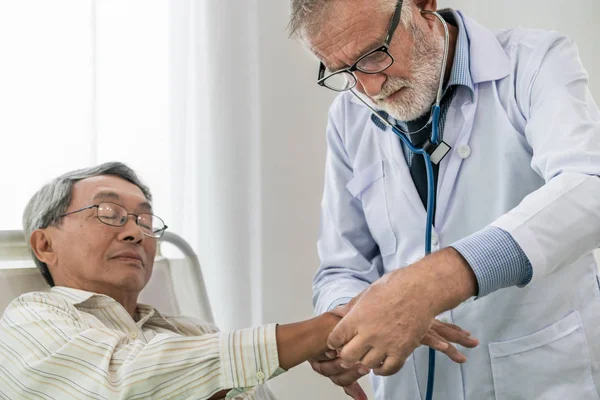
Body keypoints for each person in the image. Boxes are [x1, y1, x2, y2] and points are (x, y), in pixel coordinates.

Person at [288, 0, 600, 398]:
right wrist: (344, 325)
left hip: (538, 378)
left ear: (422, 5)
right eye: (343, 72)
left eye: (373, 55)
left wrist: (436, 282)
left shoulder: (534, 63)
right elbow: (341, 266)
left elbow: (590, 185)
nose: (368, 87)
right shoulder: (348, 116)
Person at [0, 162, 474, 400]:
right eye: (109, 213)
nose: (134, 230)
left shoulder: (188, 334)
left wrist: (350, 335)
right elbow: (129, 382)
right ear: (44, 245)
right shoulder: (28, 321)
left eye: (146, 220)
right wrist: (329, 325)